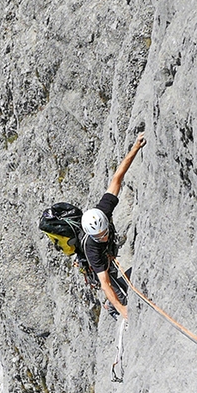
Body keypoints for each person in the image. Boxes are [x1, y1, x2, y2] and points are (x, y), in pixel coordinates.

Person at [81, 132, 146, 320]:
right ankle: (110, 305)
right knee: (121, 294)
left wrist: (135, 147)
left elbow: (117, 177)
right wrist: (122, 309)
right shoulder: (91, 249)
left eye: (105, 232)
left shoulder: (104, 209)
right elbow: (104, 283)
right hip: (100, 263)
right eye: (100, 236)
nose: (104, 236)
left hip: (107, 253)